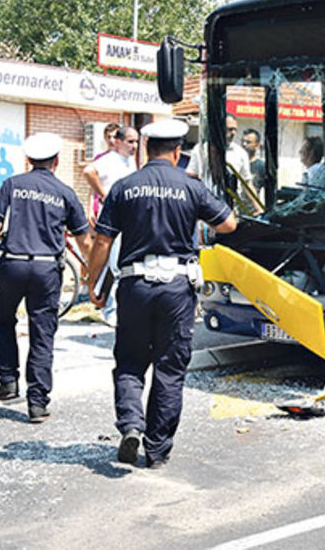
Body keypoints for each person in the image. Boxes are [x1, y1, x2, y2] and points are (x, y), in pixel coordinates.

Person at [88, 119, 237, 468]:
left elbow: (102, 241)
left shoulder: (125, 187)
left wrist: (92, 285)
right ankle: (156, 450)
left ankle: (130, 425)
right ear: (176, 152)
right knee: (169, 369)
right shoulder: (190, 186)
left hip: (134, 286)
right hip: (176, 288)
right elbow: (228, 224)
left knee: (129, 361)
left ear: (144, 149)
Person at [0, 132, 92, 423]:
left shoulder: (13, 184)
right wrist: (92, 271)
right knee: (42, 333)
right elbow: (84, 239)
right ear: (56, 161)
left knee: (3, 320)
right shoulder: (65, 192)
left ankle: (8, 381)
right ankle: (37, 403)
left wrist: (12, 234)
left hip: (13, 265)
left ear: (29, 160)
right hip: (47, 269)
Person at [82, 125, 139, 326]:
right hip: (114, 219)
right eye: (130, 142)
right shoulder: (109, 160)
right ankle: (110, 311)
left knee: (117, 264)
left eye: (136, 142)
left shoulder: (130, 161)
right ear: (118, 142)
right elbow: (88, 171)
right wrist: (103, 194)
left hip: (128, 219)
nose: (134, 146)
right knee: (114, 265)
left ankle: (108, 302)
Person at [186, 115, 259, 213]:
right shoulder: (201, 150)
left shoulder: (240, 153)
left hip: (230, 208)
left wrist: (259, 208)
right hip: (205, 207)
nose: (232, 133)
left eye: (234, 130)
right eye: (229, 129)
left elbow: (247, 183)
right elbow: (191, 177)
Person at [84, 122, 121, 221]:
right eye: (108, 137)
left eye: (114, 137)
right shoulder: (99, 158)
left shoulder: (126, 159)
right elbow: (92, 186)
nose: (111, 140)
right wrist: (90, 209)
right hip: (99, 207)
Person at [242, 128, 267, 195]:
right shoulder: (237, 162)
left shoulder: (261, 166)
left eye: (248, 142)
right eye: (243, 141)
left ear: (257, 145)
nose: (244, 144)